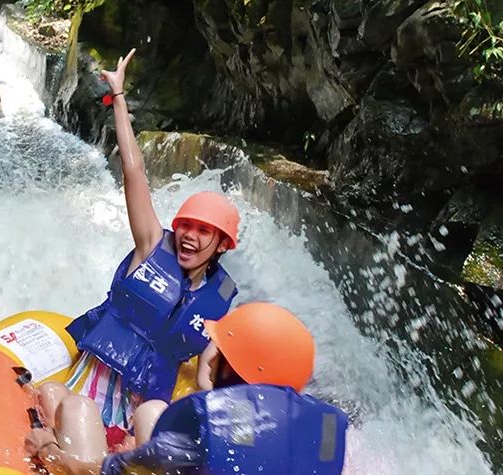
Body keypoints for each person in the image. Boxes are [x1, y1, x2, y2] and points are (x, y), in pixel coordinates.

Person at [36, 48, 241, 451]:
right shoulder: (151, 245)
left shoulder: (219, 303)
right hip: (92, 386)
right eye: (187, 227)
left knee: (146, 427)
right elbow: (134, 170)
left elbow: (205, 379)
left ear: (221, 246)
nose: (190, 237)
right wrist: (119, 96)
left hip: (142, 404)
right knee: (56, 401)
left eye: (204, 232)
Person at [25, 302, 350, 475]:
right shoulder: (322, 434)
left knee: (74, 424)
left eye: (220, 354)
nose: (209, 362)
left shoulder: (205, 434)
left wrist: (48, 450)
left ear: (237, 367)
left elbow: (99, 473)